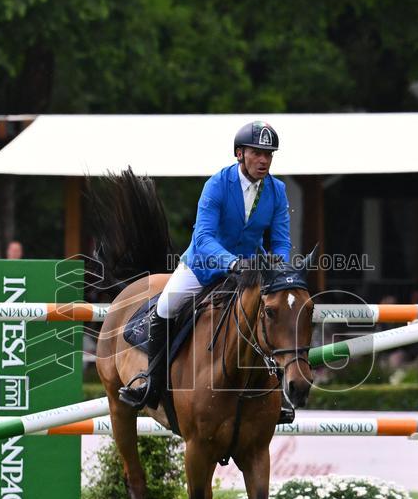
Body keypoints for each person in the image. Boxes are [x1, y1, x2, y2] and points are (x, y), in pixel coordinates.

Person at [119, 120, 292, 409]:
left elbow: (282, 241)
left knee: (275, 314)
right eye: (257, 153)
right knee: (165, 307)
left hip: (250, 272)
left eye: (269, 154)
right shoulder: (217, 184)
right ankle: (153, 381)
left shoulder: (277, 191)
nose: (264, 160)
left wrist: (280, 272)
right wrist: (232, 263)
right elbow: (203, 237)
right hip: (203, 266)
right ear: (239, 154)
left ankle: (279, 394)